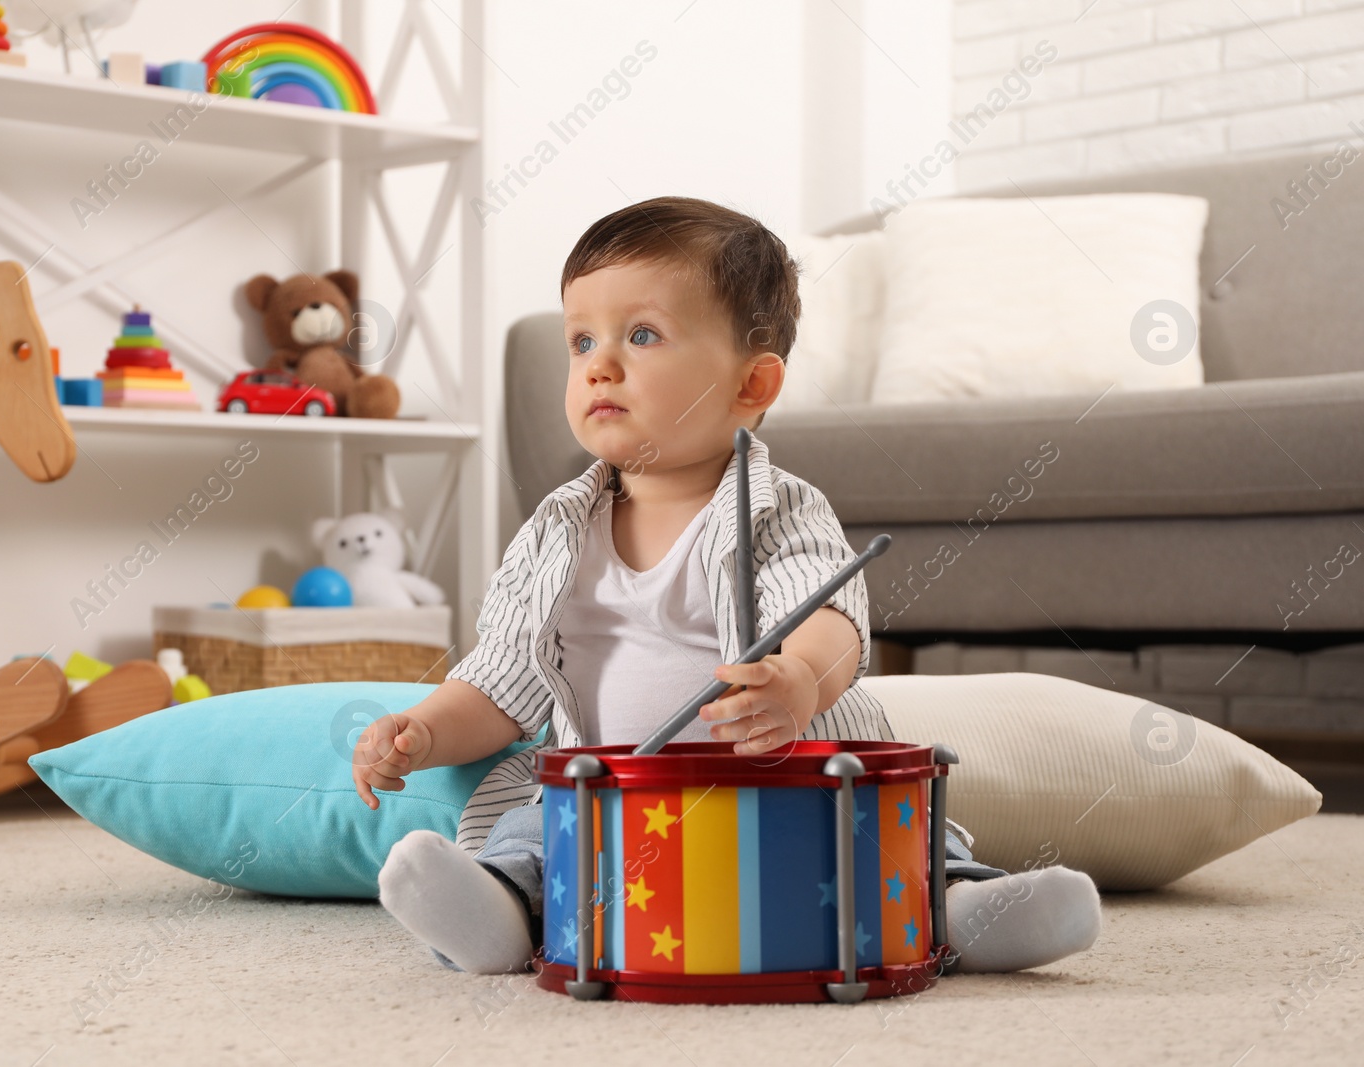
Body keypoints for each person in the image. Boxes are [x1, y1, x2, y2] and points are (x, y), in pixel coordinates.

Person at [354, 196, 1102, 977]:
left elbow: (829, 611)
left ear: (751, 383)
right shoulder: (553, 531)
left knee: (893, 835)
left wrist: (798, 678)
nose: (599, 363)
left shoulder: (776, 507)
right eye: (581, 340)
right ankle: (502, 914)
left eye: (641, 335)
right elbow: (503, 680)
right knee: (534, 833)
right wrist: (424, 730)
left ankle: (959, 908)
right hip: (614, 797)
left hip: (791, 782)